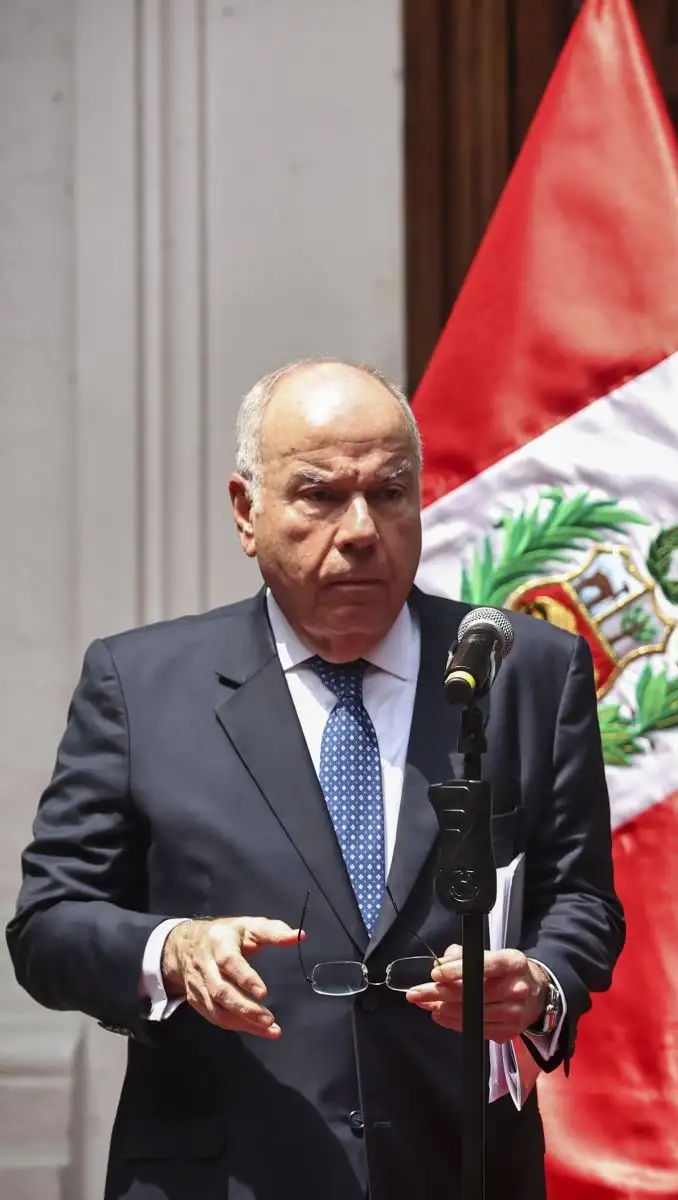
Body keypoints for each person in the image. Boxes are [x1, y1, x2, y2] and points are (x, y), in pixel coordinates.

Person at [8, 359, 625, 1199]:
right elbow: (49, 925)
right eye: (320, 495)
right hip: (228, 1175)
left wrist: (540, 985)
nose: (362, 528)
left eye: (390, 492)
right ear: (246, 512)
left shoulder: (520, 671)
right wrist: (174, 951)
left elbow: (582, 898)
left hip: (458, 1168)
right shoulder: (140, 685)